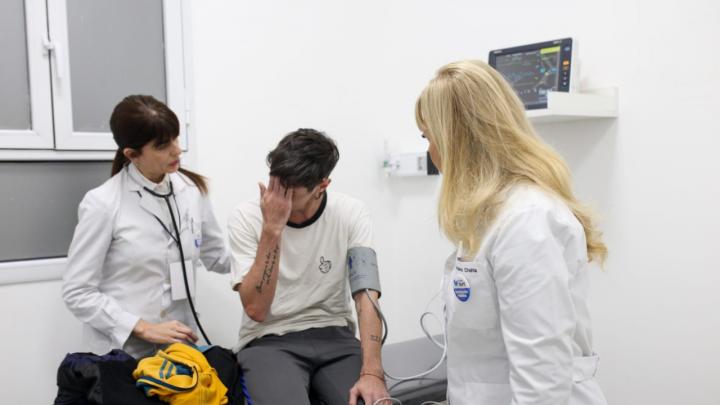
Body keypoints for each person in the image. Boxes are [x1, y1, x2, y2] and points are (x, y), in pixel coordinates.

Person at [415, 60, 608, 405]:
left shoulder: (527, 221)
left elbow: (541, 380)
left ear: (455, 140)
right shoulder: (491, 215)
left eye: (429, 137)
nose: (429, 151)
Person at [228, 128, 389, 405]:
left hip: (334, 335)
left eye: (289, 190)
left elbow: (366, 294)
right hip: (269, 339)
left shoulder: (351, 212)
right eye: (275, 181)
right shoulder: (246, 217)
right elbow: (256, 309)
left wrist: (373, 373)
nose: (276, 195)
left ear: (322, 186)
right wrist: (272, 229)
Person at [62, 95, 231, 359]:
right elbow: (77, 292)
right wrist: (142, 328)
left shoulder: (191, 191)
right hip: (122, 352)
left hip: (179, 347)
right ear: (132, 154)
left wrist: (272, 241)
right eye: (163, 145)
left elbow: (218, 258)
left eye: (176, 138)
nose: (177, 150)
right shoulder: (103, 203)